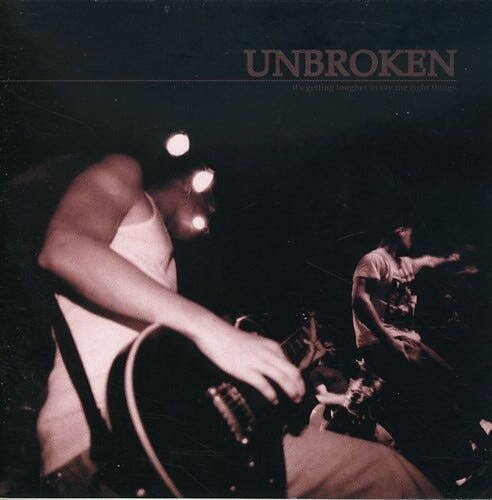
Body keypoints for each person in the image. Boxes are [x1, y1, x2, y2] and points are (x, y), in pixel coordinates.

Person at [3, 153, 440, 498]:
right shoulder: (123, 169)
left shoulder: (155, 275)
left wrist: (287, 366)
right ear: (195, 182)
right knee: (387, 478)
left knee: (384, 474)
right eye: (211, 201)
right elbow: (64, 249)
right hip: (102, 443)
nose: (211, 219)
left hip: (175, 438)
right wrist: (216, 332)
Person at [351, 224, 485, 485]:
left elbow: (428, 261)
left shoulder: (405, 264)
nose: (415, 239)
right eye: (411, 233)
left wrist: (453, 259)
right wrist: (389, 340)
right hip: (381, 343)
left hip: (404, 340)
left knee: (444, 384)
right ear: (398, 230)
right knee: (428, 398)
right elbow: (359, 300)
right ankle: (457, 465)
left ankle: (464, 456)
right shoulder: (374, 260)